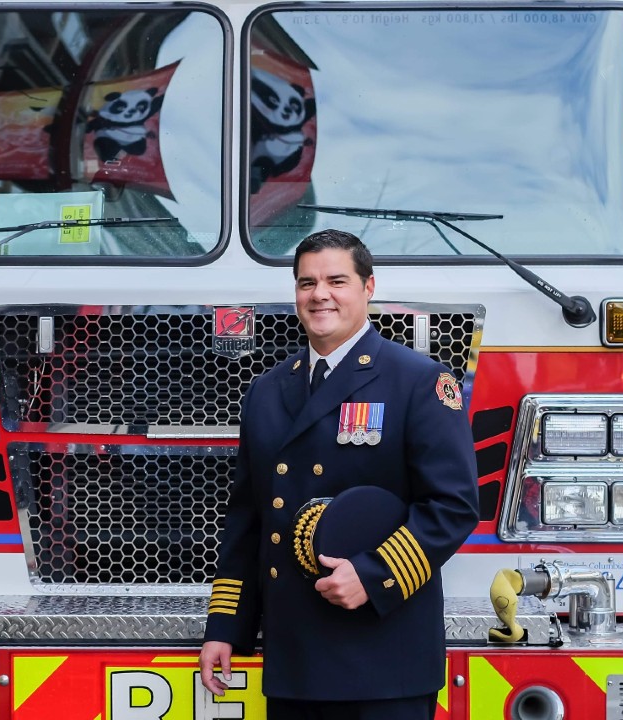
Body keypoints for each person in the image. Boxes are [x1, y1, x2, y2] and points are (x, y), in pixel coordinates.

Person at [199, 229, 480, 720]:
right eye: (306, 283)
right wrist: (225, 626)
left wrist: (374, 575)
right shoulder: (267, 391)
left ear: (368, 288)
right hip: (294, 662)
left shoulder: (418, 381)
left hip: (383, 659)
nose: (319, 295)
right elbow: (249, 520)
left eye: (336, 280)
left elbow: (453, 506)